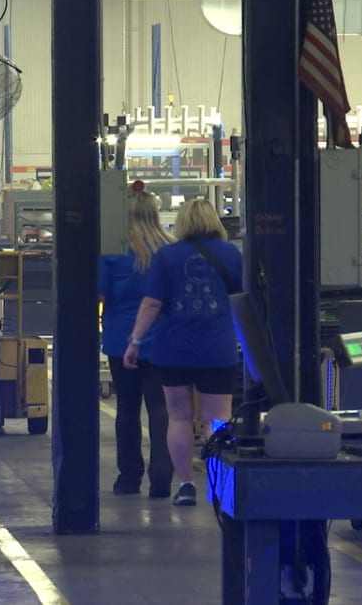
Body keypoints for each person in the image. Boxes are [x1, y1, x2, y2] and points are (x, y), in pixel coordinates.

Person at [124, 197, 241, 507]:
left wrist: (135, 342)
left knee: (179, 417)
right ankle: (220, 488)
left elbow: (151, 303)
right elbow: (243, 302)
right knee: (218, 419)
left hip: (173, 349)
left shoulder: (167, 256)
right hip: (218, 348)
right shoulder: (231, 254)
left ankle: (187, 484)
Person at [99, 191, 174, 498]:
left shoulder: (113, 251)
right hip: (165, 342)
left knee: (127, 409)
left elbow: (99, 294)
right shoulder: (170, 250)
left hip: (121, 339)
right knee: (161, 409)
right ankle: (161, 480)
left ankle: (129, 478)